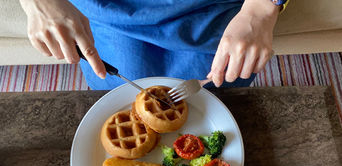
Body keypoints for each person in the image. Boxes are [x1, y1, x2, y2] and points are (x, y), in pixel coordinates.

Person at [19, 0, 287, 90]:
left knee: (216, 101)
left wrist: (261, 8)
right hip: (106, 12)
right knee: (115, 92)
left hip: (209, 11)